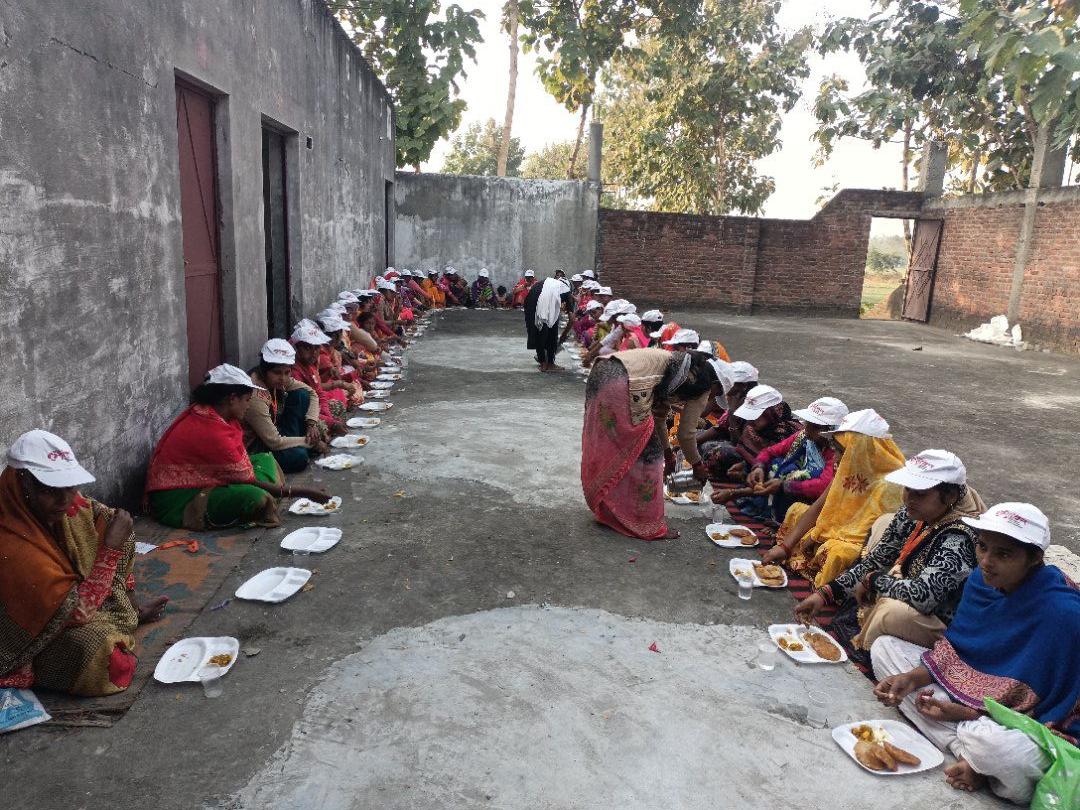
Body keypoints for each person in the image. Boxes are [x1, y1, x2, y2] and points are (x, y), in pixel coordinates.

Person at [870, 502, 1078, 804]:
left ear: (1034, 558)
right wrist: (911, 679)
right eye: (982, 547)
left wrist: (967, 713)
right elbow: (958, 649)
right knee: (885, 649)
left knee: (1002, 750)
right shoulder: (982, 581)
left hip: (1020, 725)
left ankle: (980, 758)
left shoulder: (1064, 615)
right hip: (975, 705)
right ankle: (969, 759)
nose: (986, 561)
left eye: (1003, 554)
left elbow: (1054, 713)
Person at [0, 431, 167, 696]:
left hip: (65, 608)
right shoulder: (11, 542)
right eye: (50, 490)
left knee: (111, 523)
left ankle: (128, 613)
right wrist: (109, 550)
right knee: (100, 652)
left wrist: (132, 603)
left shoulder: (58, 503)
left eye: (70, 486)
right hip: (22, 639)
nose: (65, 500)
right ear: (23, 484)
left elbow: (109, 521)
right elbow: (76, 613)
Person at [794, 450, 986, 653]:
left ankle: (870, 648)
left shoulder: (959, 537)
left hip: (937, 618)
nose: (909, 498)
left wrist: (874, 580)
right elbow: (877, 560)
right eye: (908, 489)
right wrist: (825, 594)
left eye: (920, 493)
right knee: (882, 525)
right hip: (911, 586)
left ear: (950, 496)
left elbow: (924, 597)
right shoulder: (917, 511)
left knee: (890, 612)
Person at [145, 364, 329, 530]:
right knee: (256, 497)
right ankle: (266, 497)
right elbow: (248, 478)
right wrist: (300, 492)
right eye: (247, 400)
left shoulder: (219, 417)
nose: (249, 406)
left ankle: (267, 493)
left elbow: (242, 469)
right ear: (232, 399)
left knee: (265, 459)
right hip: (180, 498)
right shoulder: (211, 430)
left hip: (209, 479)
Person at [581, 348, 718, 540]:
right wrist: (697, 465)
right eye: (719, 393)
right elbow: (686, 434)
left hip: (601, 372)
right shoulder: (702, 385)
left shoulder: (675, 366)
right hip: (622, 383)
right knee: (649, 458)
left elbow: (658, 418)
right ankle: (646, 524)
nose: (715, 398)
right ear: (716, 383)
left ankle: (612, 512)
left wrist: (668, 453)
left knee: (620, 450)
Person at [763, 409, 905, 587]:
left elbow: (870, 537)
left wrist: (818, 534)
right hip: (834, 530)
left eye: (840, 451)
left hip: (859, 544)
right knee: (797, 510)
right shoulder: (849, 467)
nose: (835, 457)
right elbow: (819, 506)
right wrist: (785, 546)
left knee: (837, 552)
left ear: (859, 450)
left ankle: (830, 587)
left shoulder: (890, 484)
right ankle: (799, 555)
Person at [736, 396, 848, 522]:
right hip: (797, 487)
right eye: (808, 423)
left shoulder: (836, 452)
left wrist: (785, 486)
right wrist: (759, 467)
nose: (807, 428)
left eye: (814, 426)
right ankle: (772, 511)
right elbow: (770, 452)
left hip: (819, 501)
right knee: (776, 463)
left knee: (798, 475)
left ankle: (783, 519)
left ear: (828, 430)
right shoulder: (803, 437)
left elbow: (822, 486)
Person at [245, 339, 329, 473]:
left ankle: (302, 445)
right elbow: (274, 441)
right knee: (299, 457)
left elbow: (312, 393)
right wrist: (310, 442)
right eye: (277, 373)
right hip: (258, 446)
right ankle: (303, 447)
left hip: (276, 431)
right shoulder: (255, 395)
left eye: (287, 372)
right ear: (264, 370)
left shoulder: (279, 380)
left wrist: (311, 424)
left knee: (301, 395)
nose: (283, 378)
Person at [701, 383, 800, 486]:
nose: (751, 420)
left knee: (720, 453)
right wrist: (745, 467)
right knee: (710, 448)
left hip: (780, 476)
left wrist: (746, 473)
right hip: (758, 467)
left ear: (769, 413)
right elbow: (742, 446)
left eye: (755, 415)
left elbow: (774, 464)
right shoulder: (753, 425)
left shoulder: (785, 433)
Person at [525, 277, 575, 371]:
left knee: (539, 329)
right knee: (550, 330)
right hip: (540, 299)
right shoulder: (567, 291)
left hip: (531, 298)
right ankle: (549, 364)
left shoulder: (550, 284)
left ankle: (543, 363)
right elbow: (572, 319)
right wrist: (563, 335)